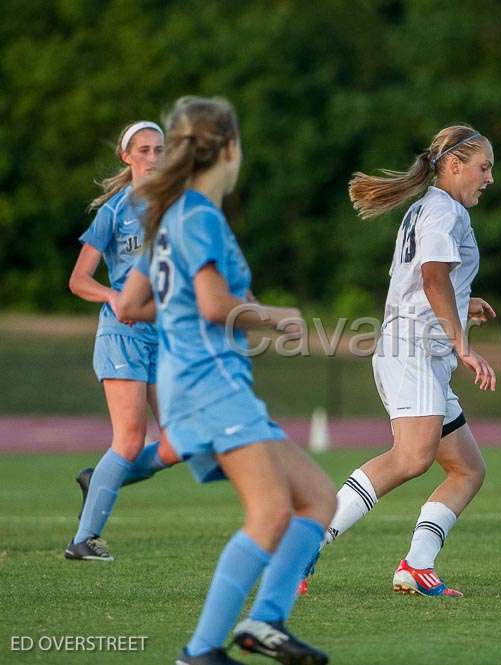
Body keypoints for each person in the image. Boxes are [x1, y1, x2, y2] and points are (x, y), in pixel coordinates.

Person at [117, 96, 336, 665]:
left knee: (317, 497)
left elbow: (133, 305)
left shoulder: (171, 217)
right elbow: (214, 305)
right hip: (209, 384)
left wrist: (199, 311)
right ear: (230, 149)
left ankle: (265, 622)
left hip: (196, 380)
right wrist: (273, 316)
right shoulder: (200, 216)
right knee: (269, 514)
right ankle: (200, 651)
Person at [299, 124, 496, 598]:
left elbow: (422, 281)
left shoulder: (426, 208)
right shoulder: (445, 211)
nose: (489, 178)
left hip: (419, 351)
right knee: (412, 457)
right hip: (413, 350)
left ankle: (417, 565)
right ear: (454, 165)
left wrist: (464, 301)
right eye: (483, 167)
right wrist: (464, 344)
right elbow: (431, 279)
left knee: (468, 469)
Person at [65, 120, 180, 562]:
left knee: (179, 443)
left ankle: (101, 478)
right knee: (129, 441)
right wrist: (112, 294)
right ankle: (84, 539)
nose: (153, 157)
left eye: (160, 150)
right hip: (124, 335)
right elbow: (78, 280)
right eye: (144, 150)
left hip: (162, 337)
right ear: (126, 157)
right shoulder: (113, 212)